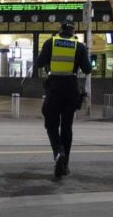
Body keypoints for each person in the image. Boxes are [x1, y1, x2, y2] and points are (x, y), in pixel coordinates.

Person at [36, 20, 92, 178]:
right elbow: (88, 69)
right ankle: (65, 164)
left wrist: (49, 59)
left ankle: (58, 152)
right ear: (73, 32)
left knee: (51, 123)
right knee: (67, 127)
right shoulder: (79, 46)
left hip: (54, 87)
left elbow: (39, 63)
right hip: (71, 88)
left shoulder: (50, 43)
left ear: (60, 30)